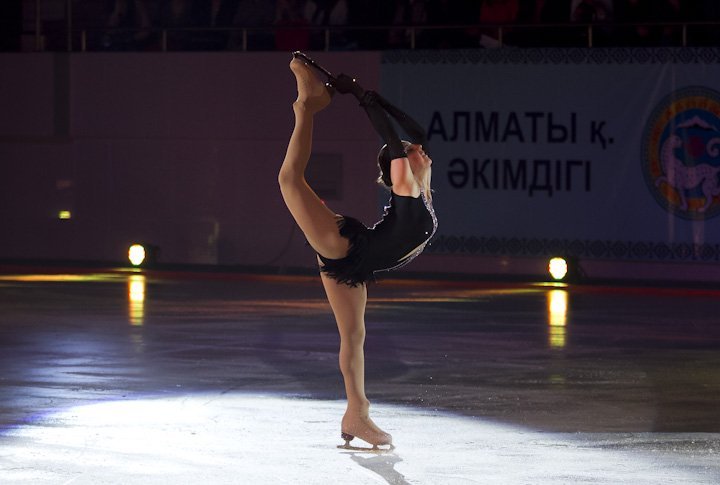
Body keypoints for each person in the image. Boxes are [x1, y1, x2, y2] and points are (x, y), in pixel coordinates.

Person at [278, 52, 437, 450]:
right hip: (347, 244)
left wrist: (369, 95)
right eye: (409, 151)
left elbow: (416, 132)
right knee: (289, 180)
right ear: (397, 166)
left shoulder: (419, 192)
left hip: (356, 264)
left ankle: (356, 414)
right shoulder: (405, 185)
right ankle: (306, 106)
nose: (419, 151)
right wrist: (362, 100)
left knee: (354, 335)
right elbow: (395, 144)